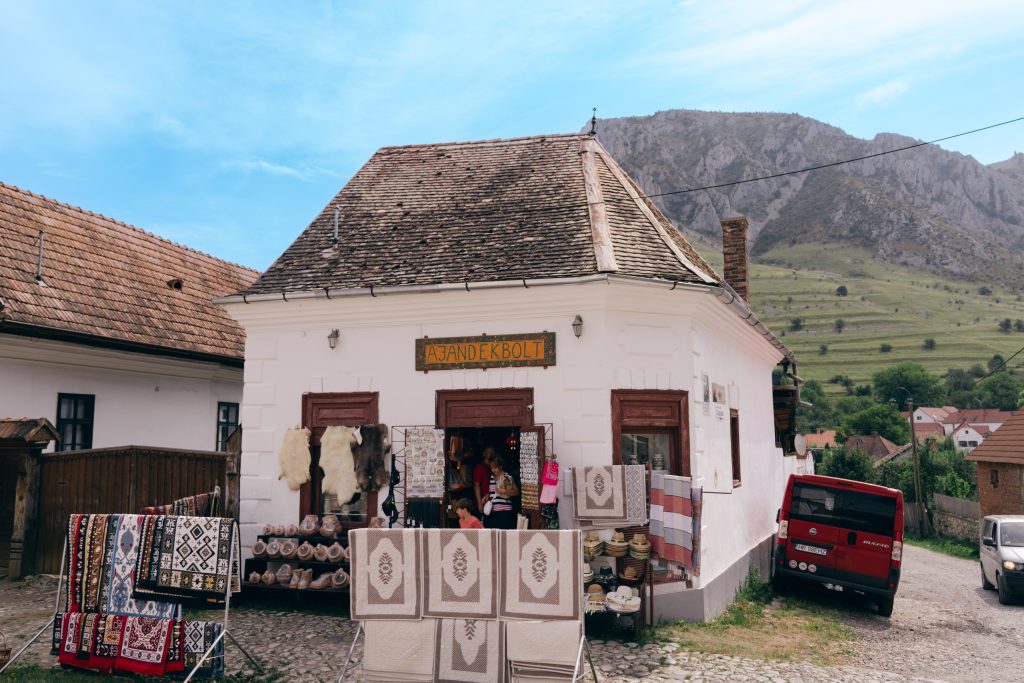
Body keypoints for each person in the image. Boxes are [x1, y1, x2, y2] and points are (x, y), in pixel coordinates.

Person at [485, 453, 519, 530]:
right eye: (491, 468)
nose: (493, 470)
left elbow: (516, 492)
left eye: (495, 468)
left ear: (500, 466)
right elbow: (492, 492)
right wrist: (487, 495)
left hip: (505, 512)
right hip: (493, 512)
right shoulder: (491, 477)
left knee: (504, 534)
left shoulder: (507, 476)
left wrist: (503, 491)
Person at [473, 447, 495, 512]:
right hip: (484, 502)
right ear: (484, 454)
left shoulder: (495, 468)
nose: (491, 454)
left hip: (494, 502)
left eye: (492, 452)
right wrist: (480, 504)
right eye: (489, 452)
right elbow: (476, 486)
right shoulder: (480, 468)